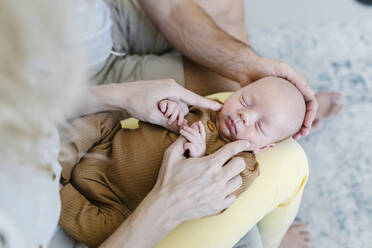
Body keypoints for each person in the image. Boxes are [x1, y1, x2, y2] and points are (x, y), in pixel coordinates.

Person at [56, 77, 306, 247]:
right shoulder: (207, 108)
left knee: (102, 232)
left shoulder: (243, 164)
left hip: (116, 203)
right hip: (107, 144)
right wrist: (171, 109)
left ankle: (58, 193)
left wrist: (196, 157)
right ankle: (56, 169)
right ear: (237, 91)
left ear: (265, 148)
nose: (244, 116)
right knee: (100, 120)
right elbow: (153, 118)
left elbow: (215, 199)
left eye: (260, 125)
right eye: (245, 101)